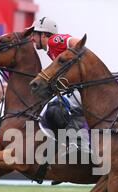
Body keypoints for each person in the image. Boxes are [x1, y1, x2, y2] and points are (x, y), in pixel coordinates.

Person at [30, 17, 90, 154]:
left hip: (83, 88)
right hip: (77, 88)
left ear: (44, 34)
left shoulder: (53, 41)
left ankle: (80, 146)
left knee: (55, 108)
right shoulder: (50, 50)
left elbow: (76, 43)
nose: (32, 38)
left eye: (35, 34)